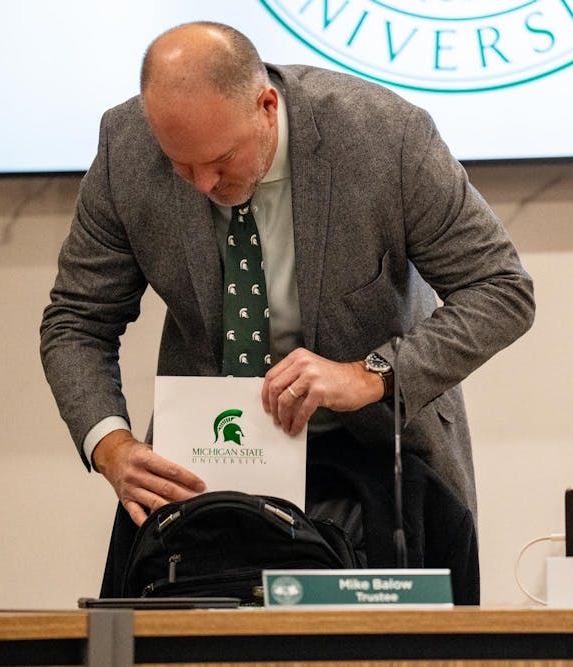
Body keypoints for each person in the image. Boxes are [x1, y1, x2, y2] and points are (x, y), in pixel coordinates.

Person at [39, 22, 534, 551]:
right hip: (210, 469)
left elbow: (501, 289)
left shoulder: (386, 137)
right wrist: (111, 446)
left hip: (379, 460)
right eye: (180, 165)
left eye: (220, 160)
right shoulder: (126, 148)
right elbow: (76, 322)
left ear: (267, 107)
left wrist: (370, 375)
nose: (203, 185)